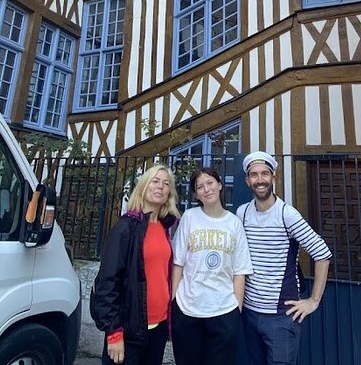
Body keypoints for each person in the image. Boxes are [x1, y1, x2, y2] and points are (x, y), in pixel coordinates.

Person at [236, 151, 332, 365]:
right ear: (247, 180)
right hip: (250, 312)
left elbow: (322, 253)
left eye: (264, 174)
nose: (259, 180)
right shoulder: (242, 213)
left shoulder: (286, 214)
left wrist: (314, 301)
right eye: (254, 175)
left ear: (273, 178)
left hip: (281, 315)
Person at [90, 164, 180, 365]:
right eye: (155, 181)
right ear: (144, 186)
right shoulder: (127, 226)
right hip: (129, 330)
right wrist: (113, 332)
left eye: (166, 184)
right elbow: (107, 282)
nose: (161, 187)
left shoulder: (165, 228)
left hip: (158, 328)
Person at [171, 167, 254, 365]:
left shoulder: (234, 223)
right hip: (187, 309)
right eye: (200, 187)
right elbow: (178, 263)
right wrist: (174, 300)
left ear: (220, 185)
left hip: (224, 310)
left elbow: (240, 271)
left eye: (210, 183)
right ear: (196, 193)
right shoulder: (189, 218)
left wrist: (236, 310)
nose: (206, 189)